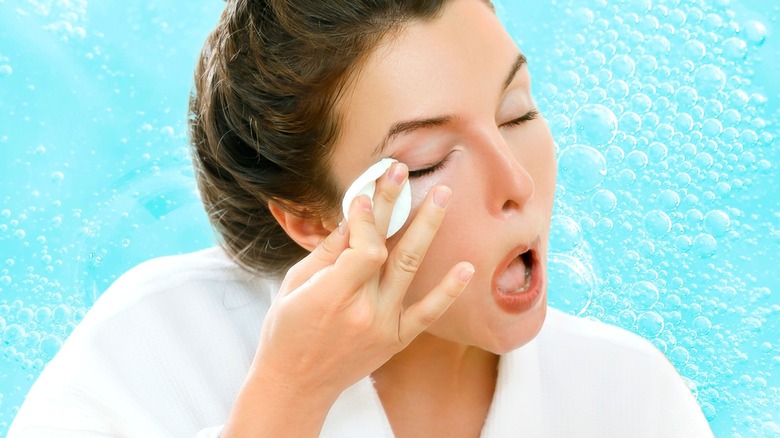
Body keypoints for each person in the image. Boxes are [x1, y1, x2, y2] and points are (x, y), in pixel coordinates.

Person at [8, 0, 714, 436]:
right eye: (433, 159)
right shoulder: (160, 341)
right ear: (311, 222)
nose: (516, 182)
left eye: (517, 110)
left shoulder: (628, 396)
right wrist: (288, 400)